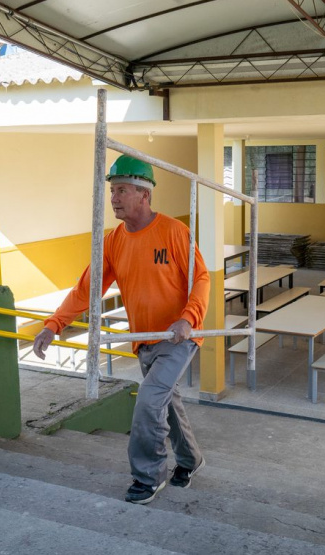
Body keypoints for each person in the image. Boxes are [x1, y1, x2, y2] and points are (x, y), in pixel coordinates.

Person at [33, 154, 209, 505]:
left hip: (177, 338)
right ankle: (191, 461)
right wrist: (54, 324)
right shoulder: (114, 240)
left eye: (122, 190)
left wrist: (188, 319)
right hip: (142, 341)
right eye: (113, 190)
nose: (114, 198)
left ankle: (149, 476)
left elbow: (201, 279)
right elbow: (88, 287)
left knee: (147, 400)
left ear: (145, 195)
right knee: (166, 403)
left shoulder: (175, 232)